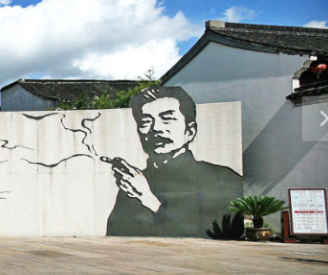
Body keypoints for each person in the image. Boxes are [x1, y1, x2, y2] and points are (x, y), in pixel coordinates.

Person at [103, 86, 242, 236]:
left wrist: (148, 199)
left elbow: (207, 234)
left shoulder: (223, 180)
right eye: (145, 122)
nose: (156, 128)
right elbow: (116, 235)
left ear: (190, 132)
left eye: (167, 119)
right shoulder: (133, 184)